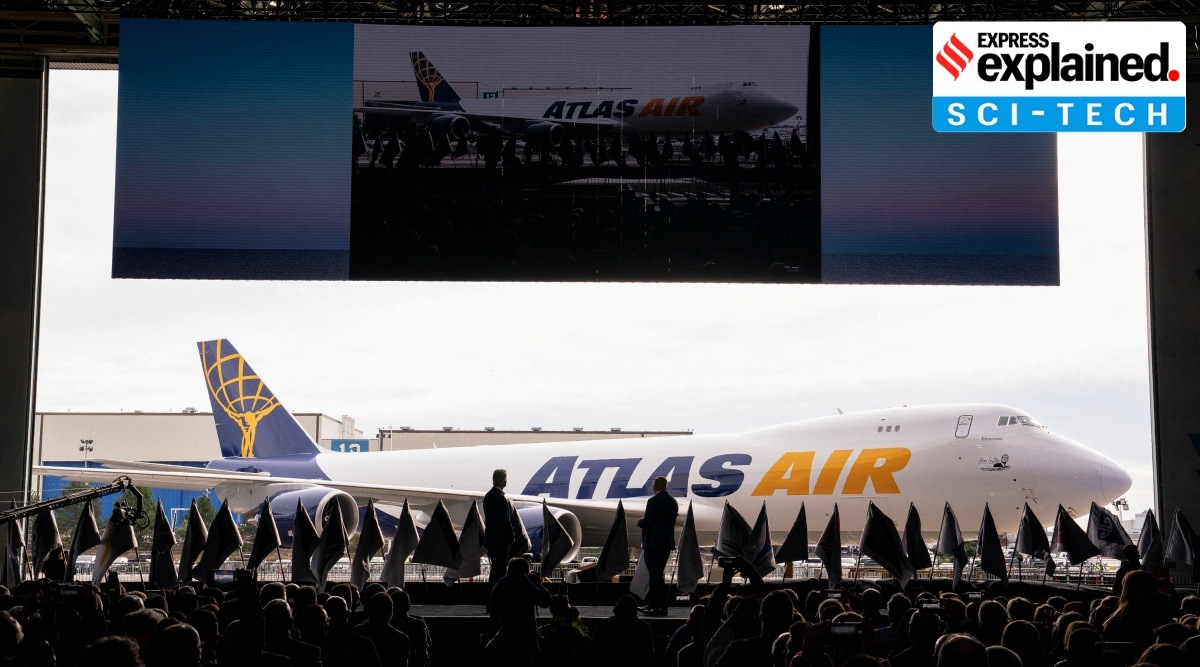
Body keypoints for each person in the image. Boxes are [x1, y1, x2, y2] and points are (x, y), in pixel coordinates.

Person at [636, 475, 678, 616]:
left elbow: (648, 521)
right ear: (666, 486)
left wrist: (640, 521)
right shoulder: (673, 502)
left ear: (654, 487)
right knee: (658, 575)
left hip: (653, 544)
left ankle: (657, 606)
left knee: (654, 575)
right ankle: (654, 605)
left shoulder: (653, 501)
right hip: (666, 544)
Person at [484, 469, 518, 585]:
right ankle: (498, 597)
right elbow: (505, 520)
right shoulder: (500, 498)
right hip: (500, 542)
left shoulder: (488, 496)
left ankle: (492, 597)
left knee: (495, 570)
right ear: (503, 480)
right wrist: (512, 536)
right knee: (500, 571)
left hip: (491, 541)